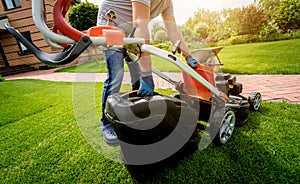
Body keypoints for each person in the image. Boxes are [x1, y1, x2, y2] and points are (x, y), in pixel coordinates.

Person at [97, 0, 199, 144]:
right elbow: (140, 23)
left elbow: (173, 30)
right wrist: (147, 74)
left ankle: (135, 114)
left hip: (132, 32)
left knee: (137, 76)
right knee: (116, 75)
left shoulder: (167, 3)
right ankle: (106, 123)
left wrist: (188, 55)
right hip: (111, 24)